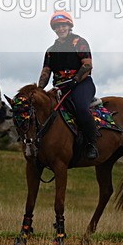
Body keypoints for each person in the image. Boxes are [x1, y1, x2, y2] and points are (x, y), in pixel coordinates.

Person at [37, 10, 99, 160]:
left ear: (69, 26)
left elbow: (87, 65)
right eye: (57, 26)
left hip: (81, 84)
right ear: (54, 29)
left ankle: (91, 144)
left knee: (81, 109)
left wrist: (76, 80)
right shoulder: (50, 51)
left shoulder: (79, 43)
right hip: (60, 87)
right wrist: (39, 90)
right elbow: (46, 72)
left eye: (63, 25)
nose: (61, 29)